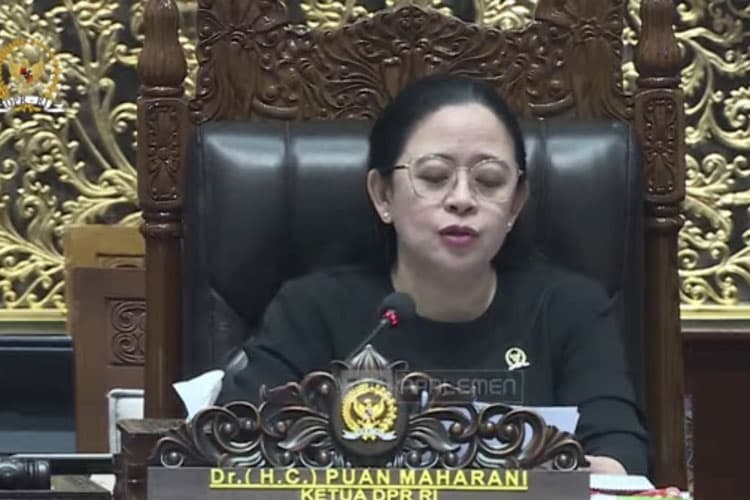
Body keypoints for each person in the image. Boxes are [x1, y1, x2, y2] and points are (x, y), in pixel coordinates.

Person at [217, 74, 649, 476]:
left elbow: (620, 459)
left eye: (489, 180)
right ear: (383, 195)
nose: (462, 199)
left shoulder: (570, 310)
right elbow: (232, 445)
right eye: (435, 176)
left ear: (516, 204)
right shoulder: (312, 311)